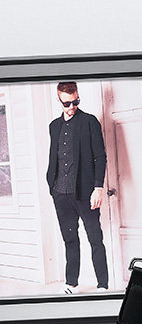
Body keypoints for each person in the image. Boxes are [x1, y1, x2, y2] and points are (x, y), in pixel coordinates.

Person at [45, 82, 109, 293]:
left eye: (75, 102)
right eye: (67, 103)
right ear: (59, 100)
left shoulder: (89, 122)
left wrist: (98, 187)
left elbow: (100, 157)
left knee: (95, 239)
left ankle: (102, 285)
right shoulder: (54, 126)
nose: (72, 107)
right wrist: (52, 186)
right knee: (70, 239)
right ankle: (71, 283)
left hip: (85, 192)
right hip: (60, 192)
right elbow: (55, 156)